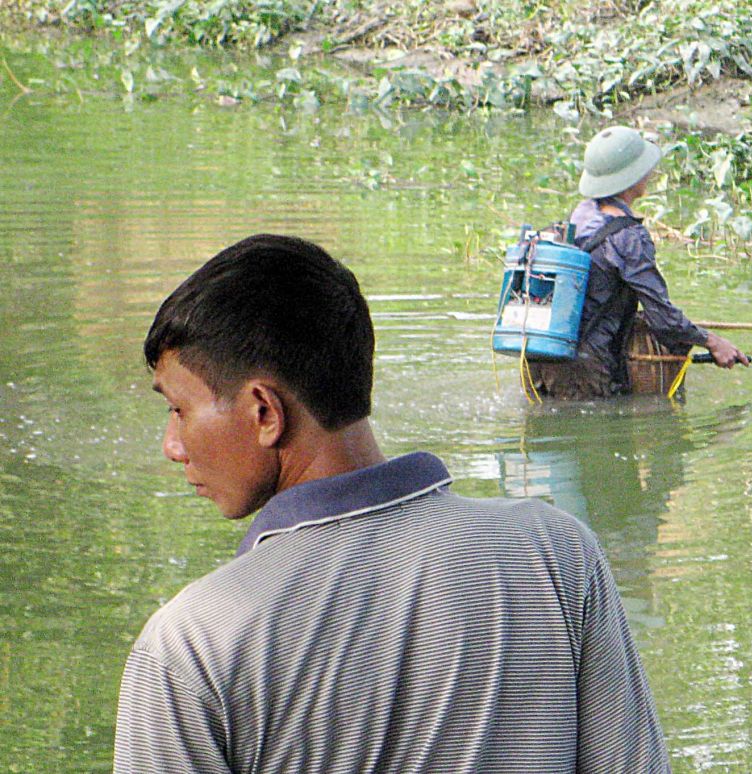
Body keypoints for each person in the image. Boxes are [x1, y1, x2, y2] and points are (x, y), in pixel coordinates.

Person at [116, 234, 669, 773]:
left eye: (178, 410)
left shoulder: (195, 643)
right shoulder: (554, 551)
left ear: (264, 412)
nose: (171, 446)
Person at [527, 125, 747, 399]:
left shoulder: (578, 218)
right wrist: (713, 342)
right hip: (584, 368)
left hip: (538, 359)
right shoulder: (628, 237)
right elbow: (664, 320)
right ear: (631, 178)